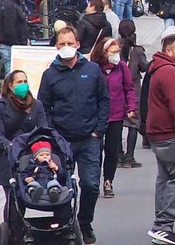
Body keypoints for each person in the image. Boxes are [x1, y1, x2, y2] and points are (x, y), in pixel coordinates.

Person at [39, 26, 110, 244]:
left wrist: (99, 129)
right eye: (62, 44)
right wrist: (53, 135)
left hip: (90, 138)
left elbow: (104, 100)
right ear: (56, 46)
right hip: (62, 141)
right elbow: (44, 107)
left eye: (71, 43)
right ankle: (62, 225)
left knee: (90, 185)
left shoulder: (93, 70)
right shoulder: (50, 75)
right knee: (58, 186)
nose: (67, 48)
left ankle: (84, 223)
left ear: (78, 45)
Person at [146, 34, 175, 245]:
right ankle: (163, 225)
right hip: (171, 135)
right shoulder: (169, 72)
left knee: (165, 178)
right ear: (168, 51)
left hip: (160, 134)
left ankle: (161, 225)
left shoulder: (160, 69)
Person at [0, 70, 47, 212]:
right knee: (12, 199)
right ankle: (11, 231)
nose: (23, 84)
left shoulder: (36, 105)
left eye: (25, 81)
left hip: (30, 156)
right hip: (8, 157)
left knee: (25, 197)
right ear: (10, 86)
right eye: (19, 82)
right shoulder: (1, 106)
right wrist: (8, 145)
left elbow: (43, 129)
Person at [90, 37, 136, 198]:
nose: (117, 55)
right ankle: (93, 181)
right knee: (95, 150)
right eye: (113, 52)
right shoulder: (94, 68)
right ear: (103, 52)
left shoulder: (122, 67)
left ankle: (108, 180)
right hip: (96, 116)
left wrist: (131, 107)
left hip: (116, 115)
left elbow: (129, 88)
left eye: (118, 52)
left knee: (112, 150)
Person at [118, 20, 148, 168]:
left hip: (117, 90)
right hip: (133, 90)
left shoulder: (114, 47)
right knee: (133, 124)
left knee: (116, 123)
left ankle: (118, 155)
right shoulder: (137, 50)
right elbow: (144, 67)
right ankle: (129, 156)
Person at [0, 0, 29, 76]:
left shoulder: (14, 4)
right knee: (11, 74)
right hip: (11, 47)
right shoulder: (11, 6)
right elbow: (9, 28)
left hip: (14, 46)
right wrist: (17, 45)